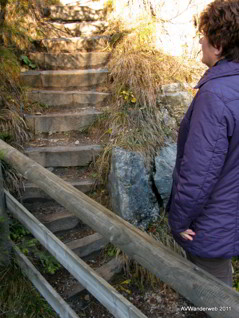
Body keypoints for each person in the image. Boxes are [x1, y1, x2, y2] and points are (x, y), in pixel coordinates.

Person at [166, 0, 239, 287]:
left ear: (218, 45)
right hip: (230, 215)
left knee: (213, 295)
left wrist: (179, 221)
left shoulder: (215, 95)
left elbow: (199, 172)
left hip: (211, 223)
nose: (200, 39)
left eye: (205, 33)